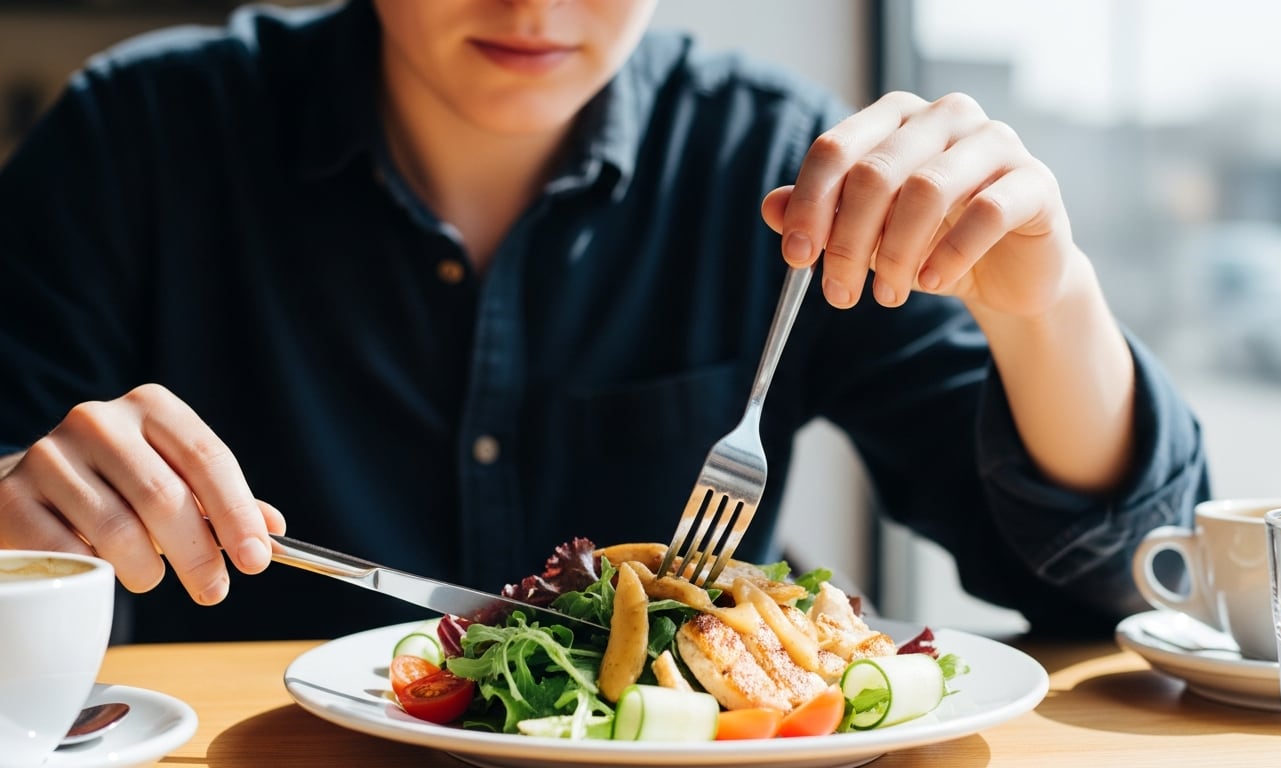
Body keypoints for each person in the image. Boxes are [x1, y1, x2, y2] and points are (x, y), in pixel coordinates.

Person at [0, 0, 1208, 644]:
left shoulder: (780, 162)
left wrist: (1050, 306)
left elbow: (1113, 588)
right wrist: (19, 515)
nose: (536, 1)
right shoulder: (136, 139)